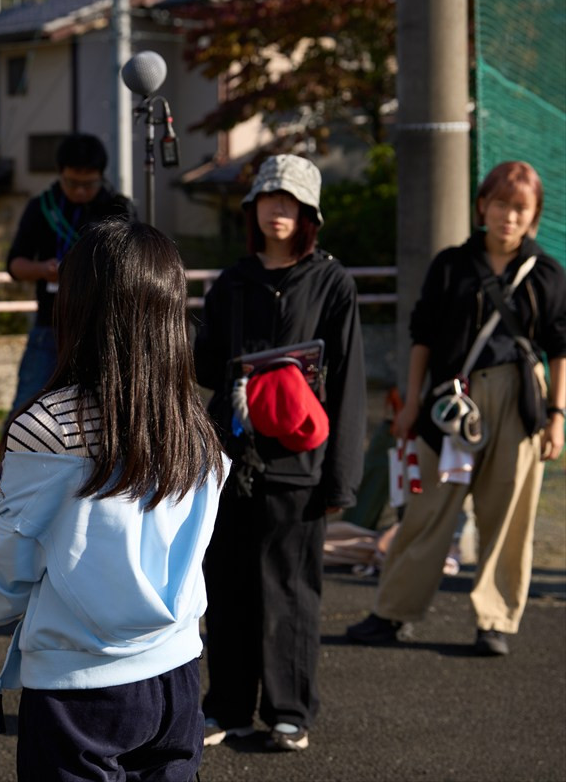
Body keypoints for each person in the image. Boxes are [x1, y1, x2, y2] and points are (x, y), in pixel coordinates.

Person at [0, 219, 230, 782]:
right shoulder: (193, 426)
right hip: (178, 674)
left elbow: (0, 591)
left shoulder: (49, 426)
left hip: (80, 692)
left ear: (81, 306)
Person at [347, 161, 566, 657]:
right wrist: (412, 401)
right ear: (482, 207)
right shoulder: (450, 265)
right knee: (426, 509)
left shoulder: (547, 274)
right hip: (450, 403)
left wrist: (558, 415)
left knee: (509, 515)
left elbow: (560, 347)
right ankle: (393, 612)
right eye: (500, 204)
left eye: (520, 208)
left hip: (521, 400)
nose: (508, 216)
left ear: (533, 216)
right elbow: (422, 335)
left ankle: (496, 621)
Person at [193, 154, 366, 752]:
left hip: (300, 464)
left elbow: (347, 382)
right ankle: (229, 706)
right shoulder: (231, 282)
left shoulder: (331, 282)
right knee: (229, 584)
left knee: (291, 588)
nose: (277, 210)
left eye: (290, 201)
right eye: (268, 199)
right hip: (232, 460)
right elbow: (204, 365)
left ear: (310, 212)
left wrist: (341, 479)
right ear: (253, 210)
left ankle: (291, 711)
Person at [6, 133, 135, 413]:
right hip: (51, 325)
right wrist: (43, 269)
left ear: (101, 176)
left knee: (107, 410)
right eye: (71, 183)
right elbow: (15, 265)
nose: (78, 191)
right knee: (27, 407)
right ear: (60, 173)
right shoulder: (42, 207)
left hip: (103, 327)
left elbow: (132, 267)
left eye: (88, 184)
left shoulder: (117, 209)